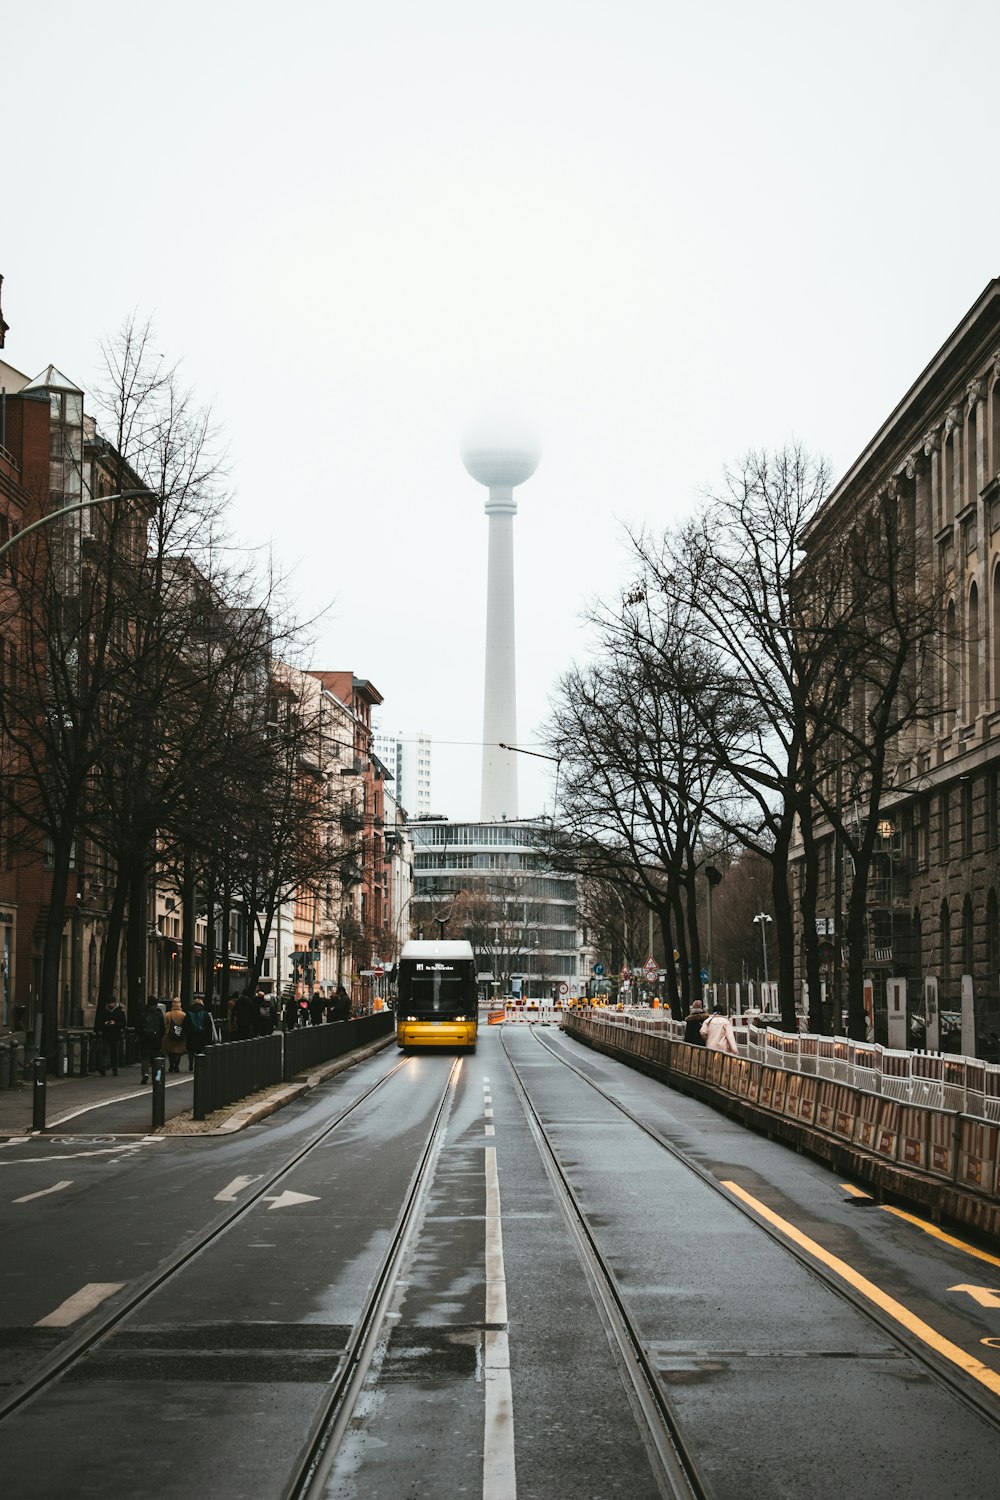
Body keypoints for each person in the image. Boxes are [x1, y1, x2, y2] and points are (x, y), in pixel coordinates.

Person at [95, 996, 127, 1076]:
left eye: (112, 1003)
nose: (110, 1005)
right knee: (105, 1051)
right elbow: (99, 1023)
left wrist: (115, 1024)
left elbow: (123, 1024)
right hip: (106, 1034)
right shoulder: (103, 1012)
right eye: (109, 1003)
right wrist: (105, 1024)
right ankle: (103, 1068)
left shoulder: (119, 1012)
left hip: (116, 1035)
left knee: (114, 1052)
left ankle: (115, 1069)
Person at [138, 997, 166, 1084]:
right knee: (156, 1060)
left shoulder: (143, 1014)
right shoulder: (159, 1015)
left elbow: (138, 1027)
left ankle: (145, 1074)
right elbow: (163, 1029)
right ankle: (156, 1077)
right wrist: (158, 1036)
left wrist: (142, 1035)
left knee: (145, 1059)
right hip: (156, 1041)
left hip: (145, 1040)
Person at [184, 995, 215, 1069]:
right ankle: (199, 1064)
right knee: (200, 1050)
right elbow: (208, 1026)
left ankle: (191, 1063)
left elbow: (185, 1025)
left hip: (191, 1035)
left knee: (191, 1050)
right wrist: (209, 1038)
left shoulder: (189, 1013)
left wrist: (186, 1033)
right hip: (202, 1035)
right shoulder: (205, 1013)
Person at [163, 997, 188, 1073]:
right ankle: (176, 1066)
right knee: (178, 1051)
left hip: (169, 1035)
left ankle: (171, 1065)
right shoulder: (183, 1015)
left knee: (170, 1051)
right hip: (180, 1035)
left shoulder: (168, 1014)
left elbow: (164, 1025)